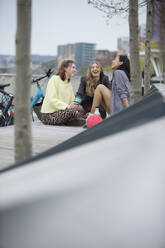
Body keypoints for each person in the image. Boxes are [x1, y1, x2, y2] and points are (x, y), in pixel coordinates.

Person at [41, 60, 84, 126]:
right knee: (72, 112)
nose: (75, 70)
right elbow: (52, 99)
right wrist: (68, 106)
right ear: (65, 68)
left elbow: (72, 101)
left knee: (81, 109)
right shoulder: (54, 79)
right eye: (73, 67)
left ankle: (71, 121)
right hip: (49, 115)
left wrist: (76, 105)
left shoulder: (68, 83)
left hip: (62, 112)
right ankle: (72, 120)